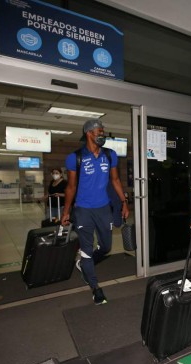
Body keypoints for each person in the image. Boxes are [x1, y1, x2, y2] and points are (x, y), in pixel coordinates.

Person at [61, 119, 129, 305]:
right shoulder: (75, 158)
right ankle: (95, 288)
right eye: (100, 131)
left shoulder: (110, 155)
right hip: (83, 210)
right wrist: (66, 211)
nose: (102, 134)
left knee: (106, 247)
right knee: (87, 249)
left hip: (103, 209)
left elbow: (115, 181)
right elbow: (71, 187)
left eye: (103, 132)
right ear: (89, 133)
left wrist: (124, 202)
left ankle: (84, 264)